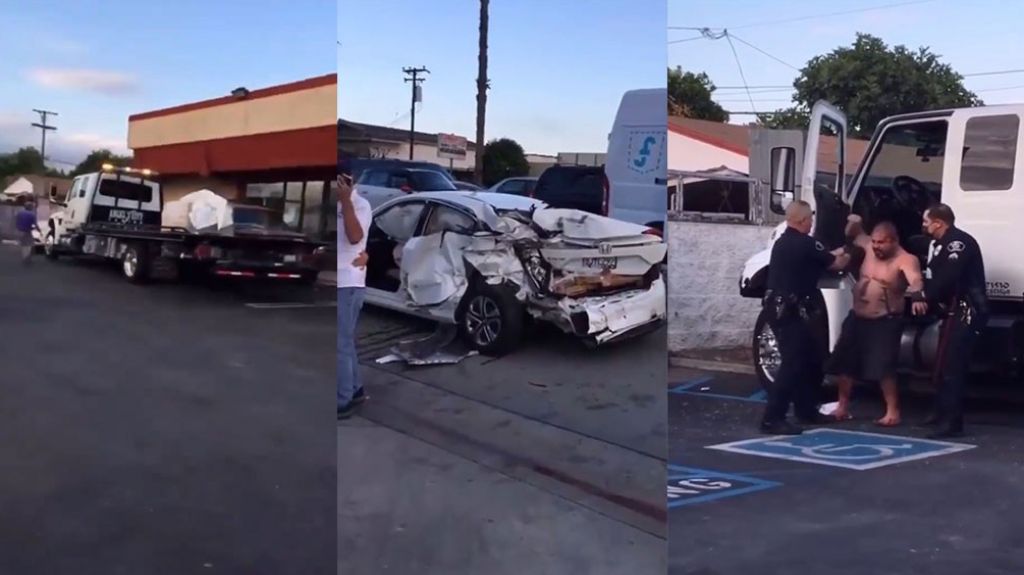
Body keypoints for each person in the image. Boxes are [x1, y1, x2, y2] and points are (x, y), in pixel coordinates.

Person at [760, 200, 851, 435]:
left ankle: (806, 410)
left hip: (780, 307)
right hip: (791, 310)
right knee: (792, 363)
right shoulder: (805, 243)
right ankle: (773, 418)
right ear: (802, 221)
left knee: (810, 358)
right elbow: (836, 263)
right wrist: (854, 248)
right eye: (810, 218)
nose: (812, 222)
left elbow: (822, 255)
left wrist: (835, 251)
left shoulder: (784, 242)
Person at [827, 217, 924, 426]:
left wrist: (917, 295)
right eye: (875, 242)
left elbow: (915, 278)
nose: (876, 247)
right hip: (857, 316)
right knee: (846, 364)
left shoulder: (905, 259)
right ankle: (842, 406)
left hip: (884, 320)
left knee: (884, 368)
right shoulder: (868, 246)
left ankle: (892, 411)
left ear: (894, 241)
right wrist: (853, 220)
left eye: (882, 243)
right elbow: (855, 230)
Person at [918, 203, 987, 438]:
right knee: (941, 362)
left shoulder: (958, 243)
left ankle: (952, 422)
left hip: (966, 310)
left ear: (939, 223)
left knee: (952, 367)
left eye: (927, 222)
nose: (924, 226)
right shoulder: (940, 244)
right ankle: (940, 411)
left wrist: (924, 296)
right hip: (951, 311)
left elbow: (947, 278)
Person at [338, 171, 372, 420]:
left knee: (340, 344)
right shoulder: (338, 205)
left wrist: (347, 200)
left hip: (348, 284)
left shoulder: (359, 204)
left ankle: (344, 399)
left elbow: (355, 237)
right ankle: (355, 389)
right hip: (339, 281)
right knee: (345, 342)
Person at [15, 199, 41, 265]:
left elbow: (15, 221)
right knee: (29, 244)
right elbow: (35, 225)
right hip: (27, 231)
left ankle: (25, 258)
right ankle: (27, 258)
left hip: (19, 231)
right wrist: (39, 230)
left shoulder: (19, 213)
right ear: (30, 207)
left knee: (23, 245)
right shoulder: (32, 214)